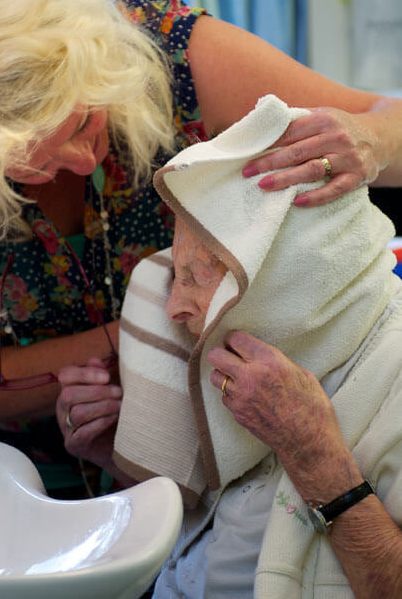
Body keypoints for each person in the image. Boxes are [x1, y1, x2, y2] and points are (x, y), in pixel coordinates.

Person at [0, 0, 402, 497]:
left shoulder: (168, 52)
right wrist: (148, 335)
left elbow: (386, 114)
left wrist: (372, 138)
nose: (87, 162)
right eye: (29, 167)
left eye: (85, 120)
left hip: (192, 452)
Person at [56, 95, 402, 597]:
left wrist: (313, 454)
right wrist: (112, 451)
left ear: (283, 274)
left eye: (198, 277)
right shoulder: (240, 350)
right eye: (176, 273)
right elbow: (199, 525)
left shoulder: (390, 368)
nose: (173, 307)